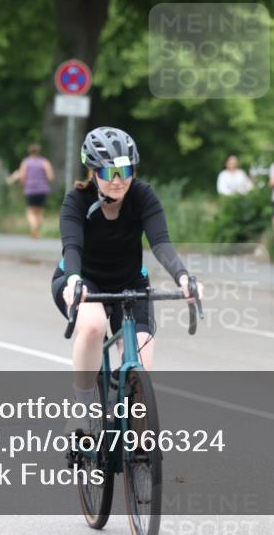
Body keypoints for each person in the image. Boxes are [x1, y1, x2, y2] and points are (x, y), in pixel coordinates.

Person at [52, 127, 199, 435]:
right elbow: (72, 247)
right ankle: (82, 409)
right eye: (109, 171)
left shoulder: (143, 195)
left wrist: (183, 277)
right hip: (83, 281)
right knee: (92, 327)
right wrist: (74, 281)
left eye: (126, 170)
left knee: (140, 371)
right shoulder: (76, 200)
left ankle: (137, 443)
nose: (118, 179)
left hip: (130, 283)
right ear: (92, 171)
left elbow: (161, 243)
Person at [7, 144, 54, 238]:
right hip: (42, 190)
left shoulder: (26, 162)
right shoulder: (44, 162)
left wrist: (24, 185)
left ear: (29, 152)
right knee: (40, 211)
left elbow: (22, 177)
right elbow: (50, 176)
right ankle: (37, 230)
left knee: (30, 211)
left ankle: (34, 227)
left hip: (30, 190)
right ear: (39, 151)